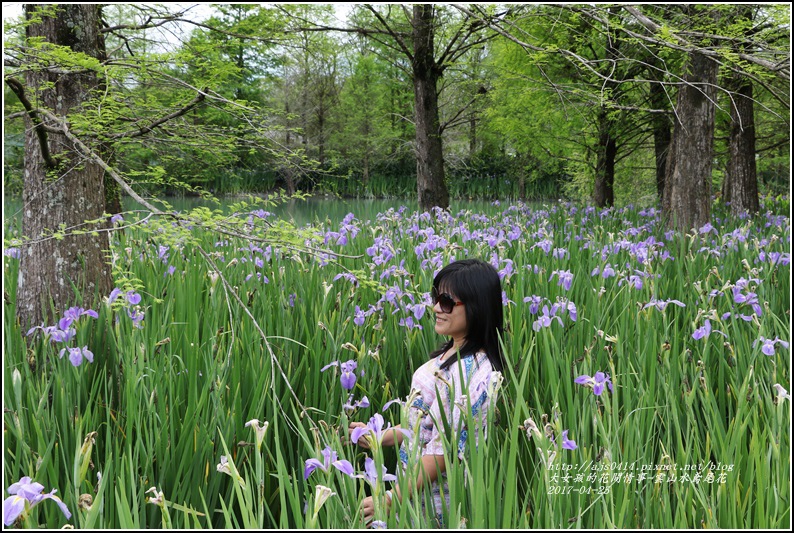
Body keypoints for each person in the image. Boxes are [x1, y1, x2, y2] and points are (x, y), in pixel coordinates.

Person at [350, 258, 506, 526]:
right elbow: (424, 426)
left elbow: (443, 452)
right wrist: (378, 436)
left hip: (434, 508)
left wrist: (391, 499)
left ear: (476, 307)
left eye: (446, 301)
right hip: (414, 496)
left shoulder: (473, 373)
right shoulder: (453, 353)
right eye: (436, 297)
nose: (435, 307)